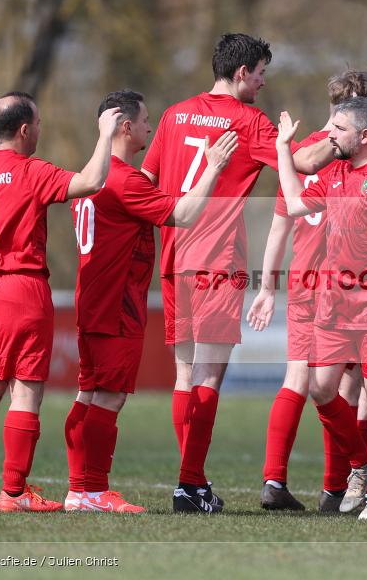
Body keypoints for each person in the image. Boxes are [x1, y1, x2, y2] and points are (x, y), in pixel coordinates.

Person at [140, 33, 333, 514]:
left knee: (184, 375)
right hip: (218, 260)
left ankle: (193, 482)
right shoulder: (247, 121)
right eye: (262, 72)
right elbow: (305, 162)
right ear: (243, 71)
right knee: (209, 374)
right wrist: (344, 127)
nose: (265, 82)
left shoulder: (173, 114)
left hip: (174, 257)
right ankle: (189, 484)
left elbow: (146, 180)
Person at [249, 53, 367, 512]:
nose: (327, 135)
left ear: (364, 135)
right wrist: (281, 149)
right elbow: (292, 205)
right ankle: (357, 466)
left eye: (336, 130)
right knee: (321, 388)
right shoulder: (331, 172)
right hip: (333, 302)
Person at [63, 90, 238, 514]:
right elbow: (183, 214)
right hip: (117, 303)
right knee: (109, 397)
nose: (149, 127)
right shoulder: (123, 179)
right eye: (145, 120)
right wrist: (213, 168)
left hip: (92, 301)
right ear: (124, 127)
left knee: (89, 394)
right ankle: (92, 490)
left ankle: (77, 490)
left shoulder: (91, 174)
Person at [0, 91, 120, 512]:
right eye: (39, 125)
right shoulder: (29, 171)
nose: (40, 131)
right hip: (21, 288)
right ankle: (13, 493)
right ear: (25, 129)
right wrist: (105, 135)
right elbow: (91, 182)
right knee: (25, 393)